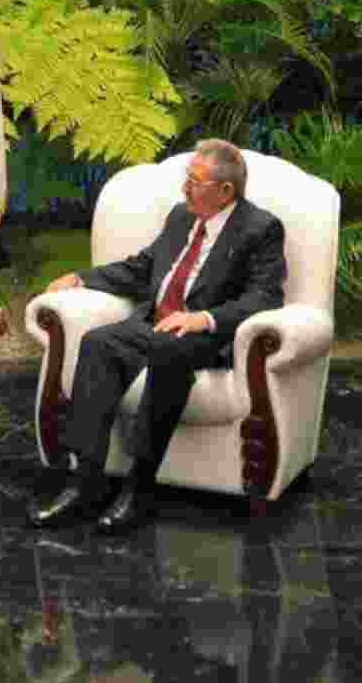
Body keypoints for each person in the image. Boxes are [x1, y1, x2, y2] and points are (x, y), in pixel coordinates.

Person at [28, 139, 286, 534]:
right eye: (187, 178)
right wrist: (81, 278)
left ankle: (139, 487)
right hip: (154, 323)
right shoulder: (181, 216)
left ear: (225, 191)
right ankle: (85, 482)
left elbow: (265, 296)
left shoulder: (260, 228)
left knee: (170, 349)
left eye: (195, 181)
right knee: (98, 342)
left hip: (205, 337)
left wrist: (204, 318)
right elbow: (142, 268)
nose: (185, 187)